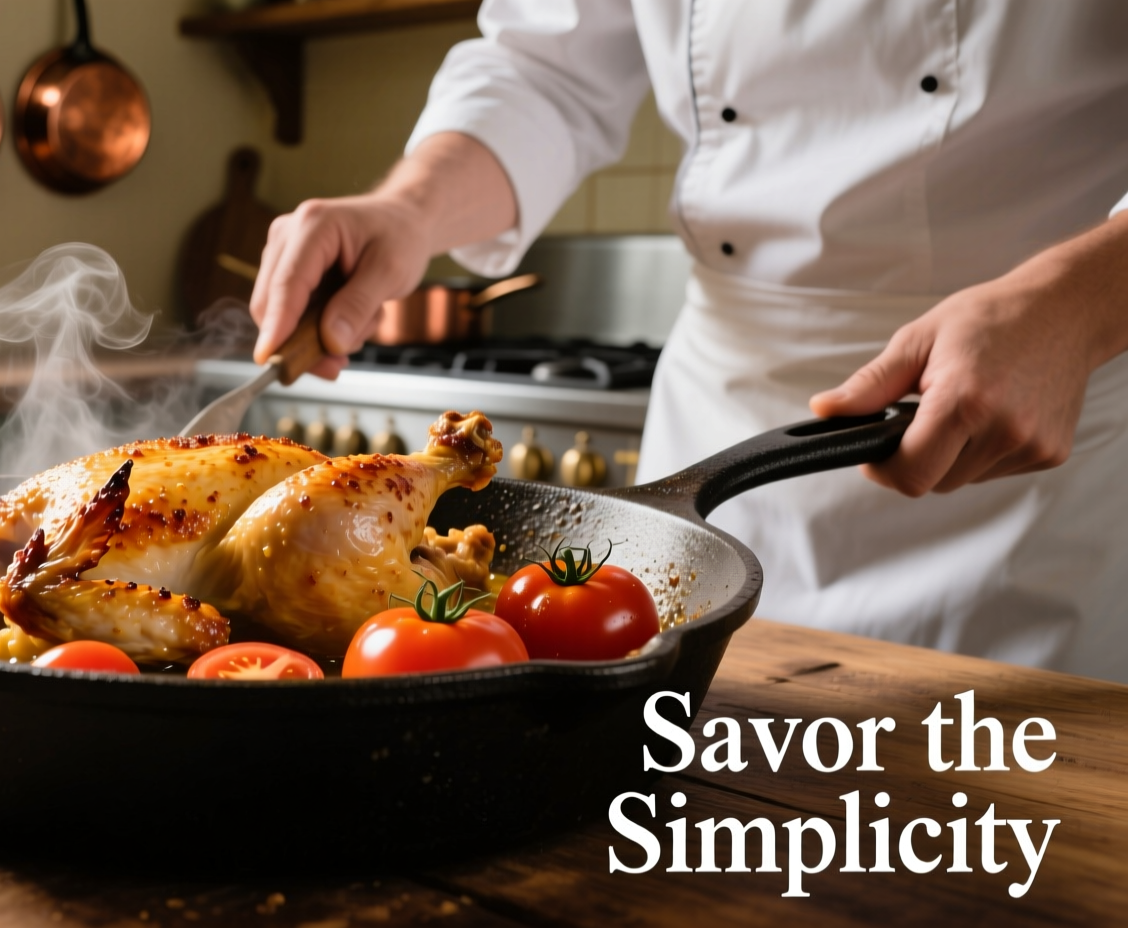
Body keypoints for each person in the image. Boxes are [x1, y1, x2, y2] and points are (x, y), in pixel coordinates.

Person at [247, 1, 1128, 681]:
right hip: (726, 396)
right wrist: (410, 207)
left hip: (1041, 398)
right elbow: (546, 70)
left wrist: (1077, 303)